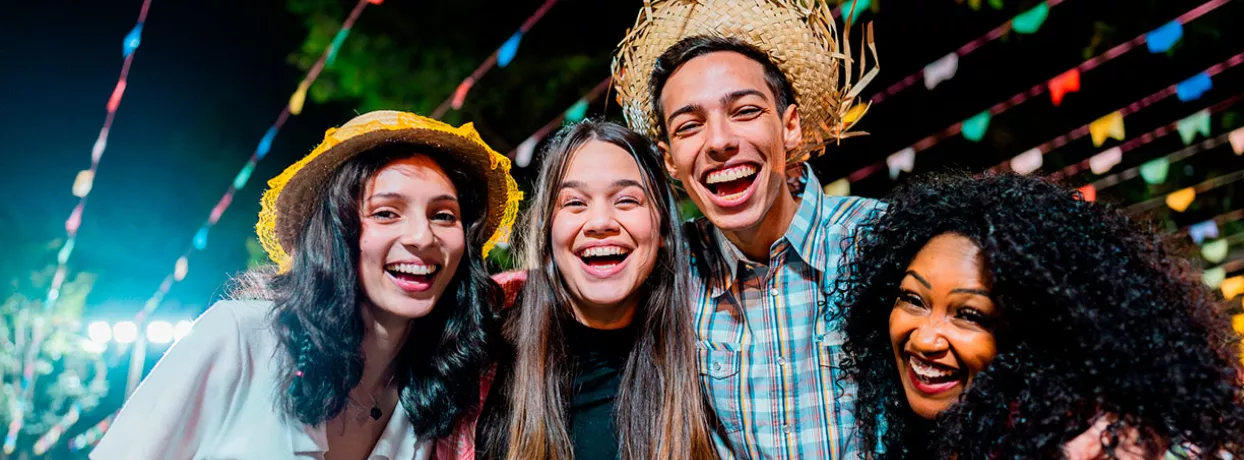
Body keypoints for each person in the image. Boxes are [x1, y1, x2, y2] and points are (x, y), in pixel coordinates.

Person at [92, 111, 522, 460]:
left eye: (443, 216)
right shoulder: (243, 339)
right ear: (335, 231)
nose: (422, 237)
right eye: (386, 213)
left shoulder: (438, 393)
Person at [834, 172, 1244, 458]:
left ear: (1039, 335)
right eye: (913, 299)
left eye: (968, 314)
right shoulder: (941, 440)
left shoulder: (1107, 447)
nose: (925, 338)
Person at [611, 0, 880, 457]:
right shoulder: (667, 276)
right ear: (670, 159)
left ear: (789, 126)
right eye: (690, 125)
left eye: (745, 111)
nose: (718, 142)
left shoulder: (877, 238)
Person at [475, 119, 718, 460]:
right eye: (574, 203)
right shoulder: (484, 352)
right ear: (547, 233)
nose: (601, 222)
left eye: (627, 200)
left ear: (662, 228)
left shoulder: (712, 350)